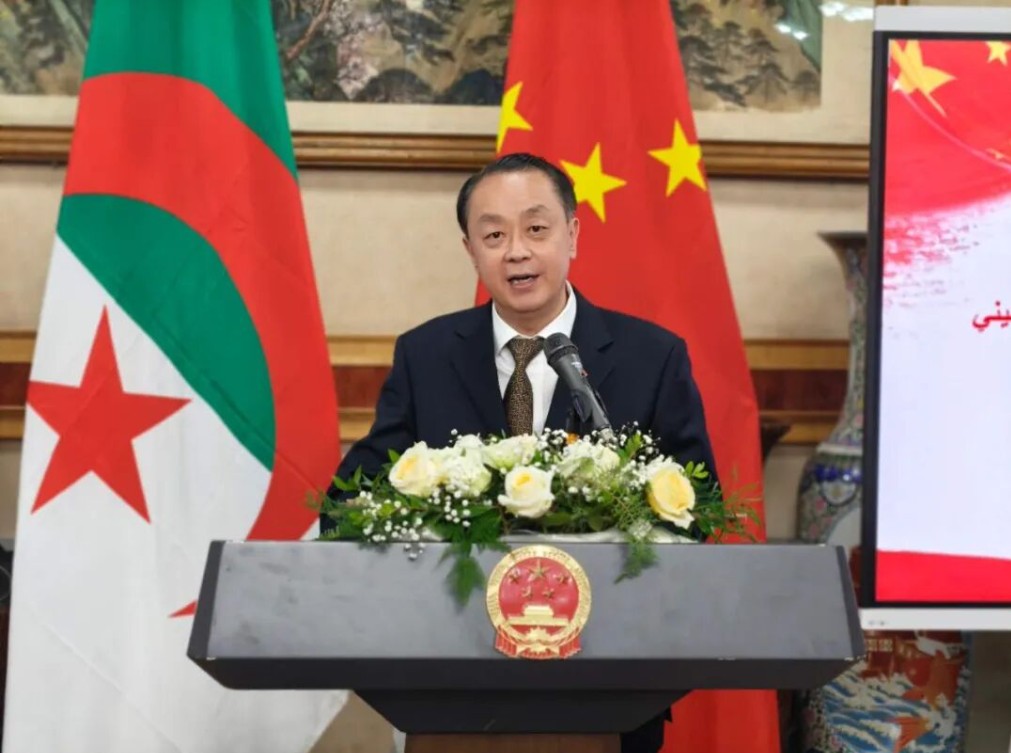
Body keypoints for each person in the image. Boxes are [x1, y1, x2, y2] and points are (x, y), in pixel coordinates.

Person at [323, 152, 718, 753]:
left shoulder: (651, 357)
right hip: (453, 687)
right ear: (470, 250)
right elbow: (348, 503)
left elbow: (700, 508)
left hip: (607, 690)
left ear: (573, 234)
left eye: (536, 228)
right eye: (494, 235)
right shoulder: (426, 355)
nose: (516, 251)